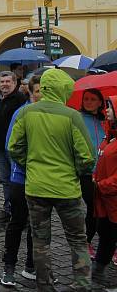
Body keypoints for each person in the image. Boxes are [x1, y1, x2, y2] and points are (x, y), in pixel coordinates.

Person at [8, 68, 95, 292]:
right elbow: (87, 157)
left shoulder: (27, 113)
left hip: (36, 187)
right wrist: (74, 171)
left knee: (40, 240)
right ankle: (82, 283)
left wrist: (31, 165)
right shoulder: (71, 115)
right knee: (77, 239)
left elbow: (14, 148)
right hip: (67, 189)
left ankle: (44, 285)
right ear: (64, 89)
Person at [0, 74, 41, 287]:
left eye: (45, 91)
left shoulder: (55, 115)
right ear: (31, 93)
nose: (41, 95)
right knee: (17, 222)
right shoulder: (22, 113)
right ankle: (9, 267)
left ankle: (32, 265)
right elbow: (11, 147)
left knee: (38, 226)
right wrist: (32, 164)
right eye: (37, 91)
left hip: (44, 181)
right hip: (22, 177)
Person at [0, 70, 28, 224]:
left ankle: (20, 212)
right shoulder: (0, 98)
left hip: (14, 148)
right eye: (2, 82)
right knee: (5, 180)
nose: (4, 84)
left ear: (14, 83)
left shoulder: (20, 99)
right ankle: (8, 208)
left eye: (7, 82)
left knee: (17, 180)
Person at [91, 96, 117, 284]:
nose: (106, 110)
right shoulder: (109, 136)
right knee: (106, 237)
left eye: (110, 108)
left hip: (112, 198)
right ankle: (98, 276)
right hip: (105, 202)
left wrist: (101, 185)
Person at [79, 88, 107, 256]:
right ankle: (87, 241)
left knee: (106, 209)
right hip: (87, 172)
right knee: (93, 207)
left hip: (105, 172)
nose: (88, 102)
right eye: (86, 99)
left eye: (92, 99)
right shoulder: (79, 119)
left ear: (100, 102)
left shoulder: (106, 120)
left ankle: (108, 243)